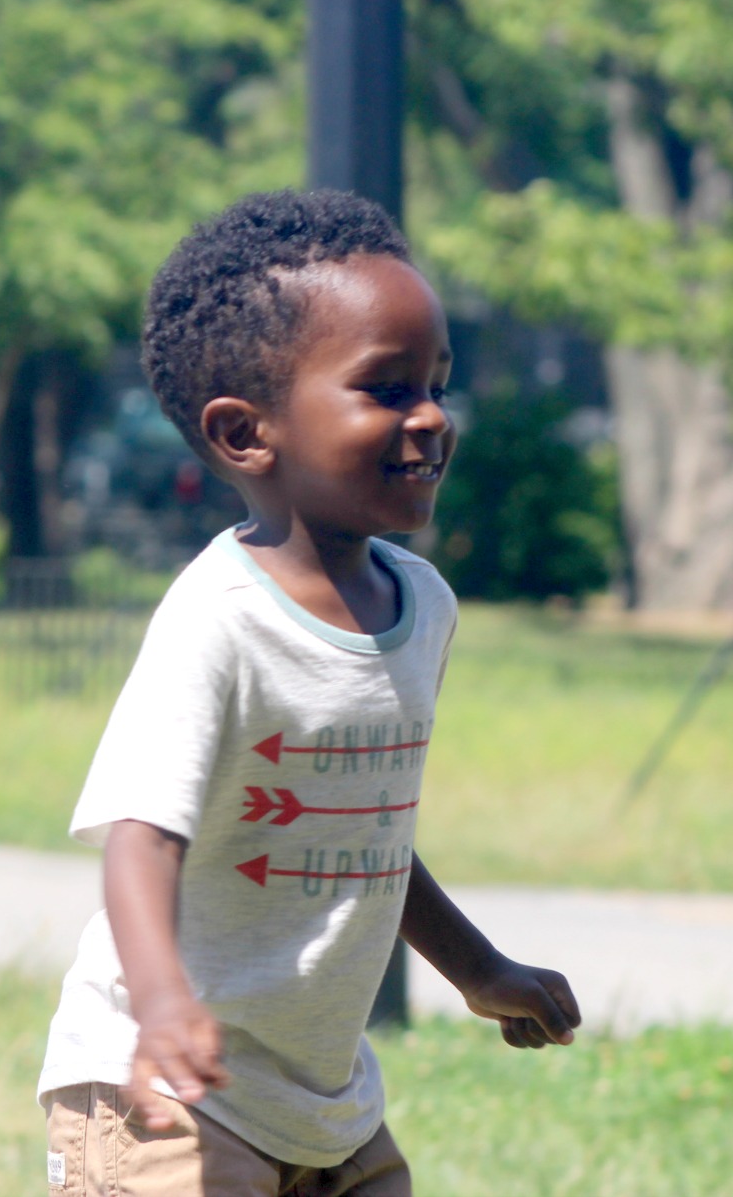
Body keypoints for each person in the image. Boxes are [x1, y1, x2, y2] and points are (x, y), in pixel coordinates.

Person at [37, 190, 581, 1196]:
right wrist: (160, 1004)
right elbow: (137, 835)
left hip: (322, 1102)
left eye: (435, 383)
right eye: (383, 388)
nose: (428, 416)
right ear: (246, 434)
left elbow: (363, 839)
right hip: (161, 1091)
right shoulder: (217, 619)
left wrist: (478, 970)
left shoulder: (421, 606)